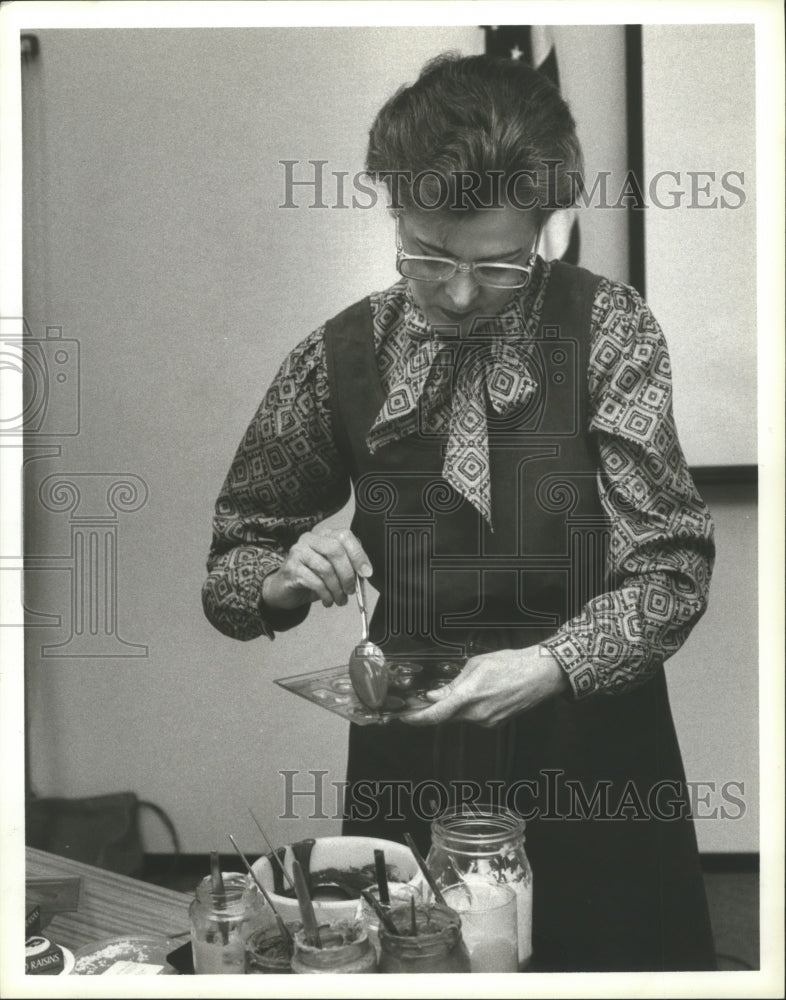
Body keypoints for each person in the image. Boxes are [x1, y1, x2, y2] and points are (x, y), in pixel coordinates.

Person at [202, 54, 716, 972]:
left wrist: (553, 662)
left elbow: (671, 571)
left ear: (546, 223)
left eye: (499, 264)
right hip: (414, 750)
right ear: (393, 205)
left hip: (593, 753)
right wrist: (284, 578)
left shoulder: (612, 330)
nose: (463, 293)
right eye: (430, 259)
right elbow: (235, 560)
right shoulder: (339, 355)